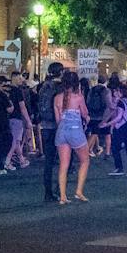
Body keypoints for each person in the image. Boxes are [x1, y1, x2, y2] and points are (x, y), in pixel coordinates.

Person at [53, 70, 90, 203]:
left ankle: (63, 196)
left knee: (64, 164)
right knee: (85, 161)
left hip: (61, 132)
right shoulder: (78, 97)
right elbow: (85, 113)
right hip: (75, 131)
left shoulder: (57, 98)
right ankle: (79, 191)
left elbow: (58, 120)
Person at [34, 61, 63, 201]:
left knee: (49, 161)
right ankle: (59, 189)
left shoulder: (43, 86)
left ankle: (48, 192)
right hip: (58, 125)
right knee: (64, 159)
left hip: (46, 125)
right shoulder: (60, 87)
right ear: (61, 72)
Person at [108, 79, 127, 177]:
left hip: (121, 125)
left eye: (117, 91)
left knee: (115, 147)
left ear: (121, 91)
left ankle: (119, 168)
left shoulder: (121, 102)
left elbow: (119, 116)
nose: (115, 92)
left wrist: (109, 124)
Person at [6, 71, 33, 170]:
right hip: (17, 118)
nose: (22, 80)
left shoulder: (6, 90)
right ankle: (7, 161)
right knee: (15, 141)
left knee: (16, 141)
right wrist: (28, 120)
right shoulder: (18, 91)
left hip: (7, 118)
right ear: (14, 78)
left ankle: (21, 160)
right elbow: (22, 107)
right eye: (20, 78)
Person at [85, 75, 111, 159]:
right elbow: (108, 104)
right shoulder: (106, 90)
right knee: (107, 134)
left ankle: (88, 150)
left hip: (93, 115)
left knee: (94, 132)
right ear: (106, 81)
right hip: (103, 115)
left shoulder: (92, 90)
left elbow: (88, 101)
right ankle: (107, 152)